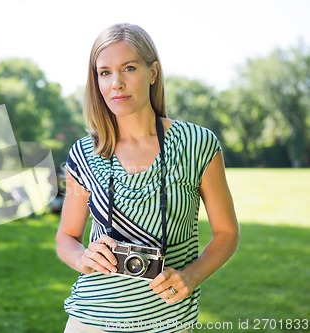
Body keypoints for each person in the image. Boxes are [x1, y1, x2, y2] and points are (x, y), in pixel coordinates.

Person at [56, 23, 240, 333]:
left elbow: (226, 233)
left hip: (169, 322)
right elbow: (66, 237)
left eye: (129, 68)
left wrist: (191, 276)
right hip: (90, 321)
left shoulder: (198, 144)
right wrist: (83, 259)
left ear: (152, 72)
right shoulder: (85, 152)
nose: (117, 83)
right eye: (105, 72)